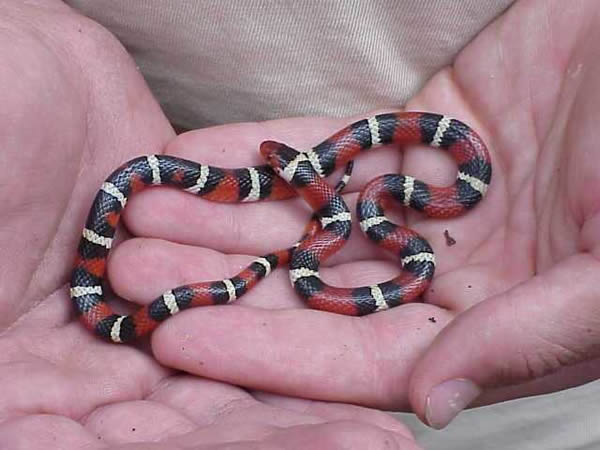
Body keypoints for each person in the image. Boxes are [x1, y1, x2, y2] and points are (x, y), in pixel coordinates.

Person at [2, 0, 600, 448]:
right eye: (281, 163)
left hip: (517, 390)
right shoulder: (342, 210)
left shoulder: (369, 207)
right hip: (147, 120)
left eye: (281, 163)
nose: (272, 155)